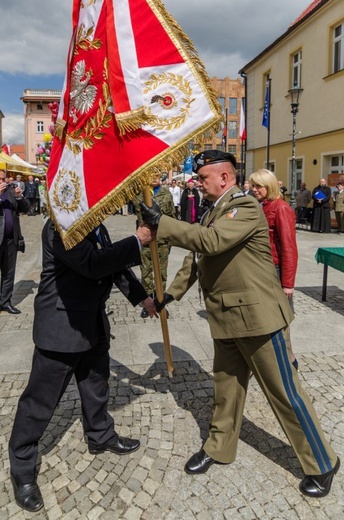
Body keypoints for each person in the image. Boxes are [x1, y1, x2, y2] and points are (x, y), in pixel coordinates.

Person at [140, 150, 340, 499]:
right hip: (226, 316)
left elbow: (211, 242)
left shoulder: (244, 207)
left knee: (284, 393)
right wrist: (166, 297)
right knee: (226, 389)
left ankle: (322, 461)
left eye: (203, 178)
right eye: (198, 178)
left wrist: (163, 225)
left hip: (259, 319)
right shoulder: (212, 211)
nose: (198, 184)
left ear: (224, 177)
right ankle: (219, 447)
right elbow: (196, 260)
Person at [8, 217, 157, 512]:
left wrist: (142, 299)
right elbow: (94, 263)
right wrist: (137, 240)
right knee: (39, 402)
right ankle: (22, 469)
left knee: (96, 383)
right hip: (61, 326)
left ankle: (100, 435)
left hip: (92, 322)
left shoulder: (94, 225)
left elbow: (113, 266)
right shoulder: (62, 225)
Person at [250, 169, 298, 368]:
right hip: (262, 269)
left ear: (268, 186)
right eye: (252, 186)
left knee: (280, 318)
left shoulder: (281, 208)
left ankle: (289, 361)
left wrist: (288, 284)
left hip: (276, 270)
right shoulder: (263, 205)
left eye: (257, 186)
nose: (254, 190)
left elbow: (289, 248)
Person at [133, 174, 175, 318]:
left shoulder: (166, 194)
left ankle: (160, 302)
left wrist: (170, 239)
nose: (155, 177)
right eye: (152, 175)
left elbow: (172, 217)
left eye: (158, 175)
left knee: (161, 273)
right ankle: (148, 302)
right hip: (145, 242)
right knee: (146, 273)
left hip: (161, 241)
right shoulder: (138, 194)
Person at [0, 170, 29, 314]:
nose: (2, 182)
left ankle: (5, 302)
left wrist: (19, 197)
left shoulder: (10, 191)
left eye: (3, 179)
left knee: (8, 273)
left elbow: (25, 208)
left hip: (11, 239)